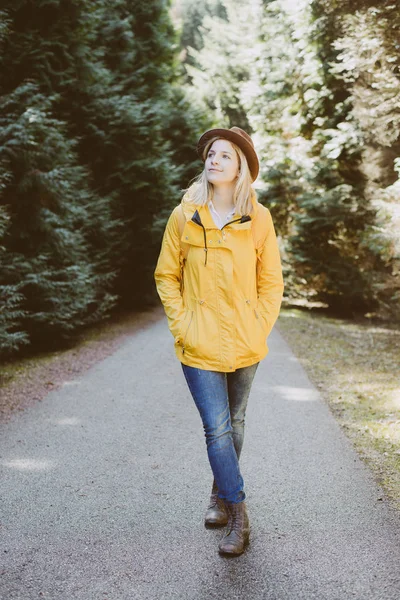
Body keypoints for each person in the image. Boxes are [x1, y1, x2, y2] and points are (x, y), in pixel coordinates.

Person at [154, 126, 284, 556]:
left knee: (236, 422)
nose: (214, 160)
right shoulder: (185, 215)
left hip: (245, 340)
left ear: (240, 167)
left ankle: (217, 496)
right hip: (199, 342)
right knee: (217, 428)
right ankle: (240, 515)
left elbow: (271, 282)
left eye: (225, 155)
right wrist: (182, 324)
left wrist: (259, 325)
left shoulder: (259, 218)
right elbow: (166, 276)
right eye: (211, 154)